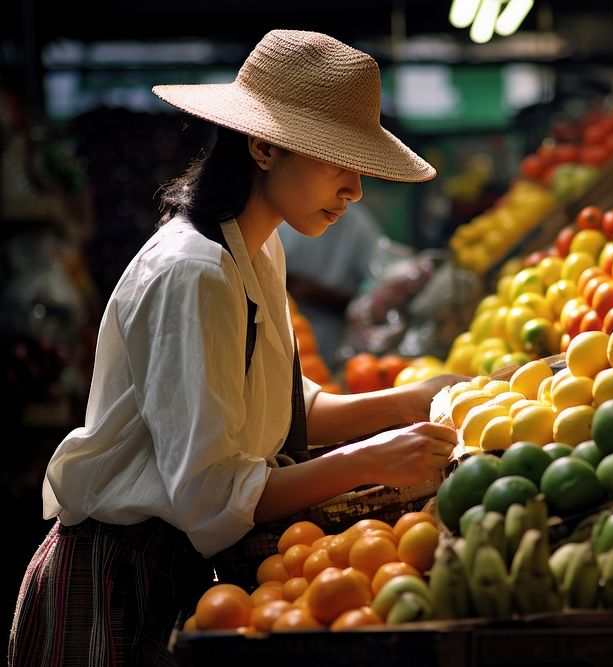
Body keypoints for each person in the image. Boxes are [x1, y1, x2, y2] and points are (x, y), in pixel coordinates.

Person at [9, 30, 463, 666]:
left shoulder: (253, 248)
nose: (355, 190)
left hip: (168, 568)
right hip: (120, 580)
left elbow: (278, 410)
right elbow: (214, 494)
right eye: (339, 162)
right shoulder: (194, 271)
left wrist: (411, 402)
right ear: (263, 147)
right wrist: (371, 460)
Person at [278, 200, 382, 367]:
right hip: (279, 336)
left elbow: (372, 293)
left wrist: (316, 294)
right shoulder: (281, 218)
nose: (355, 192)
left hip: (330, 343)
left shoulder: (359, 226)